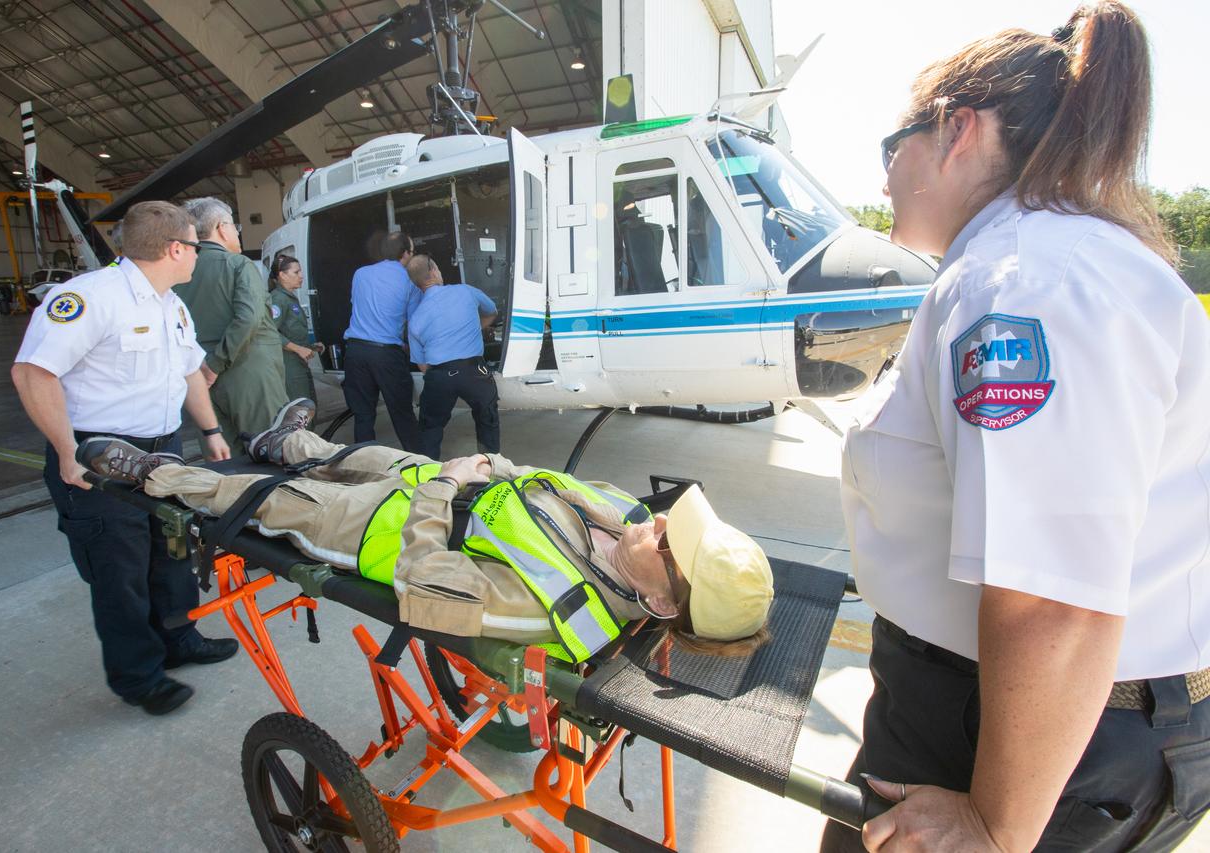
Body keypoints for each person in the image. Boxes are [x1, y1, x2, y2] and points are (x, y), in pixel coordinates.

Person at [820, 5, 1210, 851]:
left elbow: (1053, 598)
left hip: (1013, 740)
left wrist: (996, 827)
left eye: (894, 147)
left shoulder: (1020, 280)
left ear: (959, 129)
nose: (886, 176)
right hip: (1054, 726)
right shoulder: (1049, 262)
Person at [76, 399, 775, 659]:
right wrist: (479, 466)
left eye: (667, 541)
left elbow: (422, 584)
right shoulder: (623, 517)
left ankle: (155, 475)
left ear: (659, 602)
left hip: (378, 533)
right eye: (671, 520)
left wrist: (447, 485)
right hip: (453, 487)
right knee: (359, 453)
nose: (656, 521)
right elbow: (542, 479)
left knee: (268, 497)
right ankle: (291, 440)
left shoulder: (557, 606)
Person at [11, 201, 237, 717]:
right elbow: (32, 374)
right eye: (195, 246)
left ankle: (180, 639)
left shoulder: (169, 303)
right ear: (176, 248)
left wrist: (210, 430)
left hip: (162, 452)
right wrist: (68, 452)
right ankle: (138, 675)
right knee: (120, 570)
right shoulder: (90, 298)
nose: (199, 255)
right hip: (99, 454)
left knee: (172, 553)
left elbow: (189, 374)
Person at [174, 197, 288, 456]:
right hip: (248, 373)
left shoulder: (180, 271)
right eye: (235, 227)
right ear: (222, 228)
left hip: (201, 380)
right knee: (271, 449)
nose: (237, 233)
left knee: (223, 459)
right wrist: (217, 362)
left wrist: (207, 368)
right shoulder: (238, 264)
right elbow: (249, 317)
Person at [406, 254, 501, 459]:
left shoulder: (415, 319)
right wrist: (474, 329)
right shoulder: (465, 291)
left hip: (439, 374)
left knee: (430, 428)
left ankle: (429, 477)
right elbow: (492, 312)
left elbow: (423, 365)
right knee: (487, 420)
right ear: (433, 271)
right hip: (474, 371)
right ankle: (490, 470)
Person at [341, 231, 424, 452]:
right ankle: (420, 465)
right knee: (402, 414)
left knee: (363, 415)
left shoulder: (360, 274)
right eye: (412, 251)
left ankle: (364, 464)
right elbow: (414, 323)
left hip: (356, 351)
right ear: (405, 253)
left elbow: (358, 305)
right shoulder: (410, 281)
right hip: (387, 354)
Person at [268, 254, 322, 401]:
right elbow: (269, 332)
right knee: (300, 412)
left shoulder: (289, 297)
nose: (301, 276)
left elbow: (290, 331)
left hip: (298, 363)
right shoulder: (278, 299)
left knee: (308, 409)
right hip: (289, 366)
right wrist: (299, 349)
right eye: (296, 272)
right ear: (283, 275)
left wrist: (310, 346)